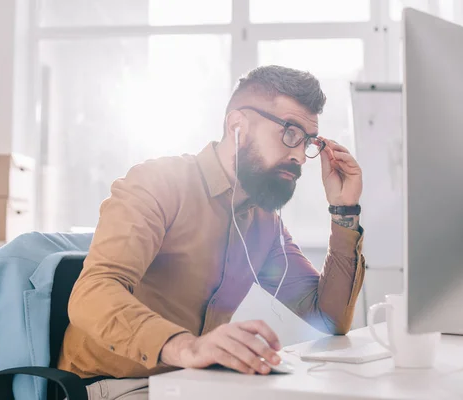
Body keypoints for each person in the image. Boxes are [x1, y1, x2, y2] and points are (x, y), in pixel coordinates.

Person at [58, 65, 366, 399]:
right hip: (111, 385)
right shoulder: (158, 183)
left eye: (307, 142)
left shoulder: (264, 222)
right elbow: (92, 293)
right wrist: (187, 347)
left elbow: (329, 318)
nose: (299, 156)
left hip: (194, 384)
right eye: (290, 133)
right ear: (238, 126)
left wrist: (343, 211)